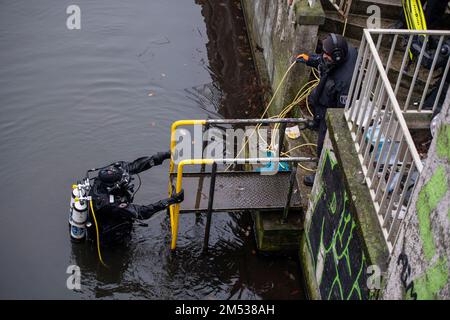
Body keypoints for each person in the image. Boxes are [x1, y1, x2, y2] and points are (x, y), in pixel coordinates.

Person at [295, 33, 358, 186]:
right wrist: (310, 59)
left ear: (336, 56)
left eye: (326, 55)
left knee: (323, 143)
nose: (323, 56)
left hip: (330, 110)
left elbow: (340, 112)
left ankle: (320, 175)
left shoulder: (344, 83)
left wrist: (328, 125)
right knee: (319, 120)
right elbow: (323, 61)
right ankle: (316, 124)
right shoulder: (342, 53)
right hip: (323, 103)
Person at [85, 151, 184, 245]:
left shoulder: (111, 172)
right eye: (122, 180)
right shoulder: (108, 203)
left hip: (111, 213)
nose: (126, 179)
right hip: (107, 233)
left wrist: (162, 156)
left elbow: (135, 166)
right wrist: (171, 200)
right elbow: (141, 212)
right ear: (113, 186)